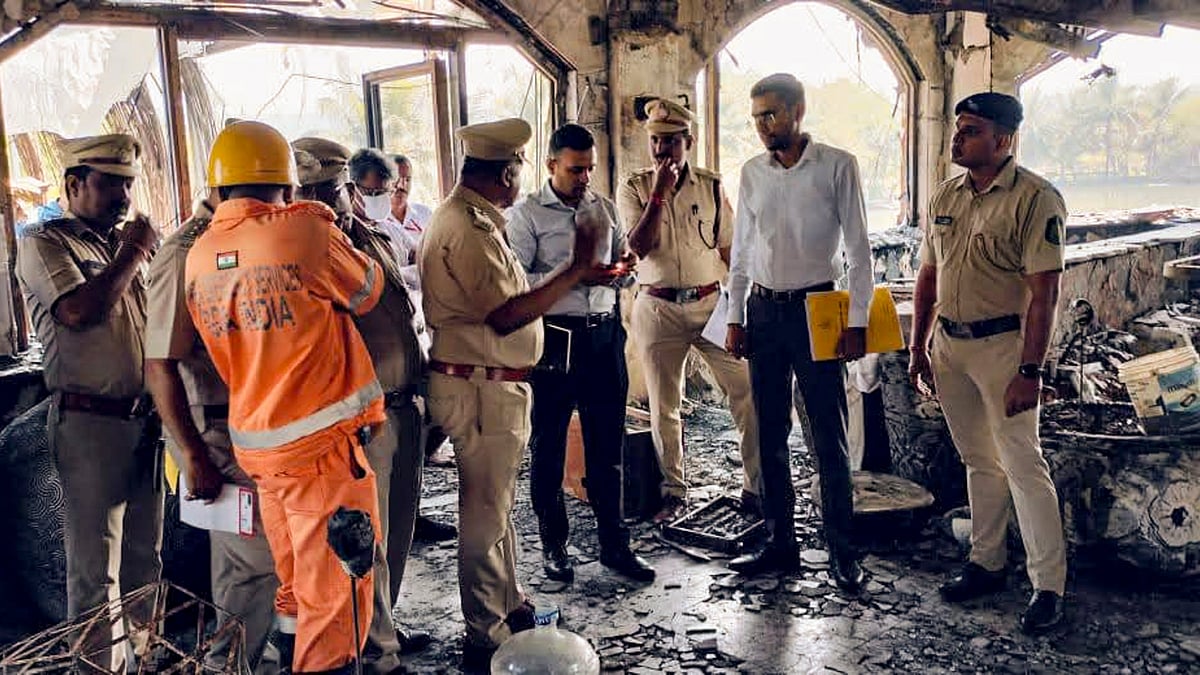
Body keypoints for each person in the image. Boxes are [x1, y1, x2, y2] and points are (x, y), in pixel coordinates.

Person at [185, 121, 385, 674]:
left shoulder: (200, 256)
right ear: (288, 186)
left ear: (218, 190)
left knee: (296, 584)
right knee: (338, 597)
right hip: (320, 450)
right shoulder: (304, 233)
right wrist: (320, 221)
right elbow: (369, 292)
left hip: (260, 450)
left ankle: (293, 657)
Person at [418, 117, 605, 669]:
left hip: (489, 385)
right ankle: (486, 631)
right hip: (479, 388)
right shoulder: (466, 226)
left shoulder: (474, 217)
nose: (520, 174)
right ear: (507, 171)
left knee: (495, 509)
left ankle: (509, 606)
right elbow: (504, 315)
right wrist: (576, 268)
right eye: (519, 165)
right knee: (483, 513)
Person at [908, 92, 1068, 634]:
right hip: (949, 346)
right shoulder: (946, 196)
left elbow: (1045, 294)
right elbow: (929, 275)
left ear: (1003, 140)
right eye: (957, 129)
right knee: (978, 460)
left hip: (1004, 349)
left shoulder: (1035, 199)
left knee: (1024, 464)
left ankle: (1049, 587)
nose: (957, 139)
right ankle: (986, 562)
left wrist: (1031, 371)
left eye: (971, 130)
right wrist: (918, 347)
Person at [16, 134, 163, 673]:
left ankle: (145, 661)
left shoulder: (121, 245)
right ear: (74, 185)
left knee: (145, 560)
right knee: (95, 570)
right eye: (110, 184)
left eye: (128, 184)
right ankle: (99, 669)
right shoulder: (43, 243)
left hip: (145, 420)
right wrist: (134, 251)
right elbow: (80, 312)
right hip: (89, 423)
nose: (124, 195)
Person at [724, 74, 868, 591]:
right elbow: (741, 252)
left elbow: (859, 250)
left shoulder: (836, 166)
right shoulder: (751, 173)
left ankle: (842, 553)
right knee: (769, 433)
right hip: (763, 311)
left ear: (798, 110)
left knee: (827, 436)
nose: (763, 126)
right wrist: (735, 316)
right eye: (757, 116)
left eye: (772, 114)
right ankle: (781, 543)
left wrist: (857, 324)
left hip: (818, 308)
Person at [294, 137, 433, 668]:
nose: (329, 201)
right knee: (364, 537)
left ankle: (385, 625)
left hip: (403, 404)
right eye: (313, 192)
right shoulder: (304, 254)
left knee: (399, 526)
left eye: (333, 190)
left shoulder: (372, 237)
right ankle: (375, 650)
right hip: (358, 420)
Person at [507, 123, 654, 584]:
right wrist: (572, 276)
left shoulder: (603, 208)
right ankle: (555, 545)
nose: (585, 177)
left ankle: (615, 544)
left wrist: (625, 268)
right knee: (548, 445)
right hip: (555, 337)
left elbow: (623, 270)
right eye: (575, 169)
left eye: (589, 168)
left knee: (607, 446)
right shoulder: (528, 216)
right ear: (552, 165)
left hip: (605, 336)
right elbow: (516, 283)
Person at [144, 194, 280, 673]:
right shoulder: (184, 251)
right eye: (276, 194)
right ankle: (228, 665)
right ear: (228, 193)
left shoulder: (243, 238)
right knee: (250, 565)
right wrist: (192, 454)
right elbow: (159, 365)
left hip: (251, 425)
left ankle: (243, 662)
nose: (283, 204)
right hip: (212, 434)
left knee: (251, 567)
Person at [616, 98, 760, 523]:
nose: (661, 150)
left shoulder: (712, 187)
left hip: (711, 303)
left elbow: (732, 253)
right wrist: (659, 193)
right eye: (655, 142)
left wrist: (740, 311)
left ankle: (756, 487)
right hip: (657, 307)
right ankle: (673, 492)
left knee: (746, 391)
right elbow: (637, 247)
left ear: (688, 142)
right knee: (664, 404)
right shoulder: (634, 187)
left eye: (671, 142)